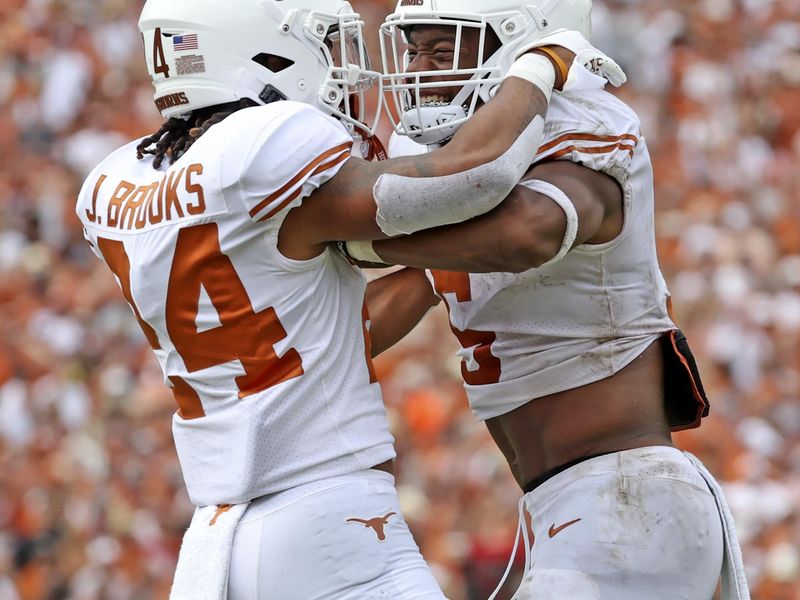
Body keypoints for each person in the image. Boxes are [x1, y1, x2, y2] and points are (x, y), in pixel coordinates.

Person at [74, 0, 612, 597]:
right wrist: (538, 67)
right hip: (332, 521)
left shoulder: (117, 183)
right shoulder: (265, 146)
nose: (340, 69)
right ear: (258, 50)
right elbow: (475, 174)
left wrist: (434, 274)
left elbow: (325, 329)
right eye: (325, 45)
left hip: (218, 541)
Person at [342, 1, 751, 598]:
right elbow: (372, 319)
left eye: (443, 49)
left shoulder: (580, 122)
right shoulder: (462, 178)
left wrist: (364, 236)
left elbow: (525, 232)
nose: (420, 69)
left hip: (624, 490)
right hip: (562, 503)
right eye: (415, 49)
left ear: (520, 43)